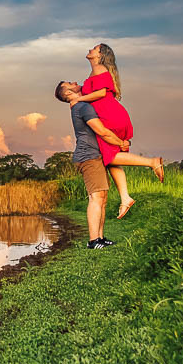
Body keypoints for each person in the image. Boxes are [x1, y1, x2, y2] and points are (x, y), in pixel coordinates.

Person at [67, 44, 164, 219]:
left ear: (100, 55)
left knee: (108, 156)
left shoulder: (99, 68)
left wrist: (79, 99)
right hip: (109, 114)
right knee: (109, 159)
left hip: (109, 115)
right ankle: (125, 198)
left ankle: (152, 162)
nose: (90, 49)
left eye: (94, 48)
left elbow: (101, 93)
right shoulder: (94, 71)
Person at [54, 80, 130, 249]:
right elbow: (101, 131)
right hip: (89, 157)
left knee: (102, 198)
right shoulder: (83, 107)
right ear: (68, 93)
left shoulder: (81, 105)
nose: (75, 82)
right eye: (70, 83)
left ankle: (100, 238)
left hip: (95, 156)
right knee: (96, 198)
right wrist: (121, 143)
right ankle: (93, 241)